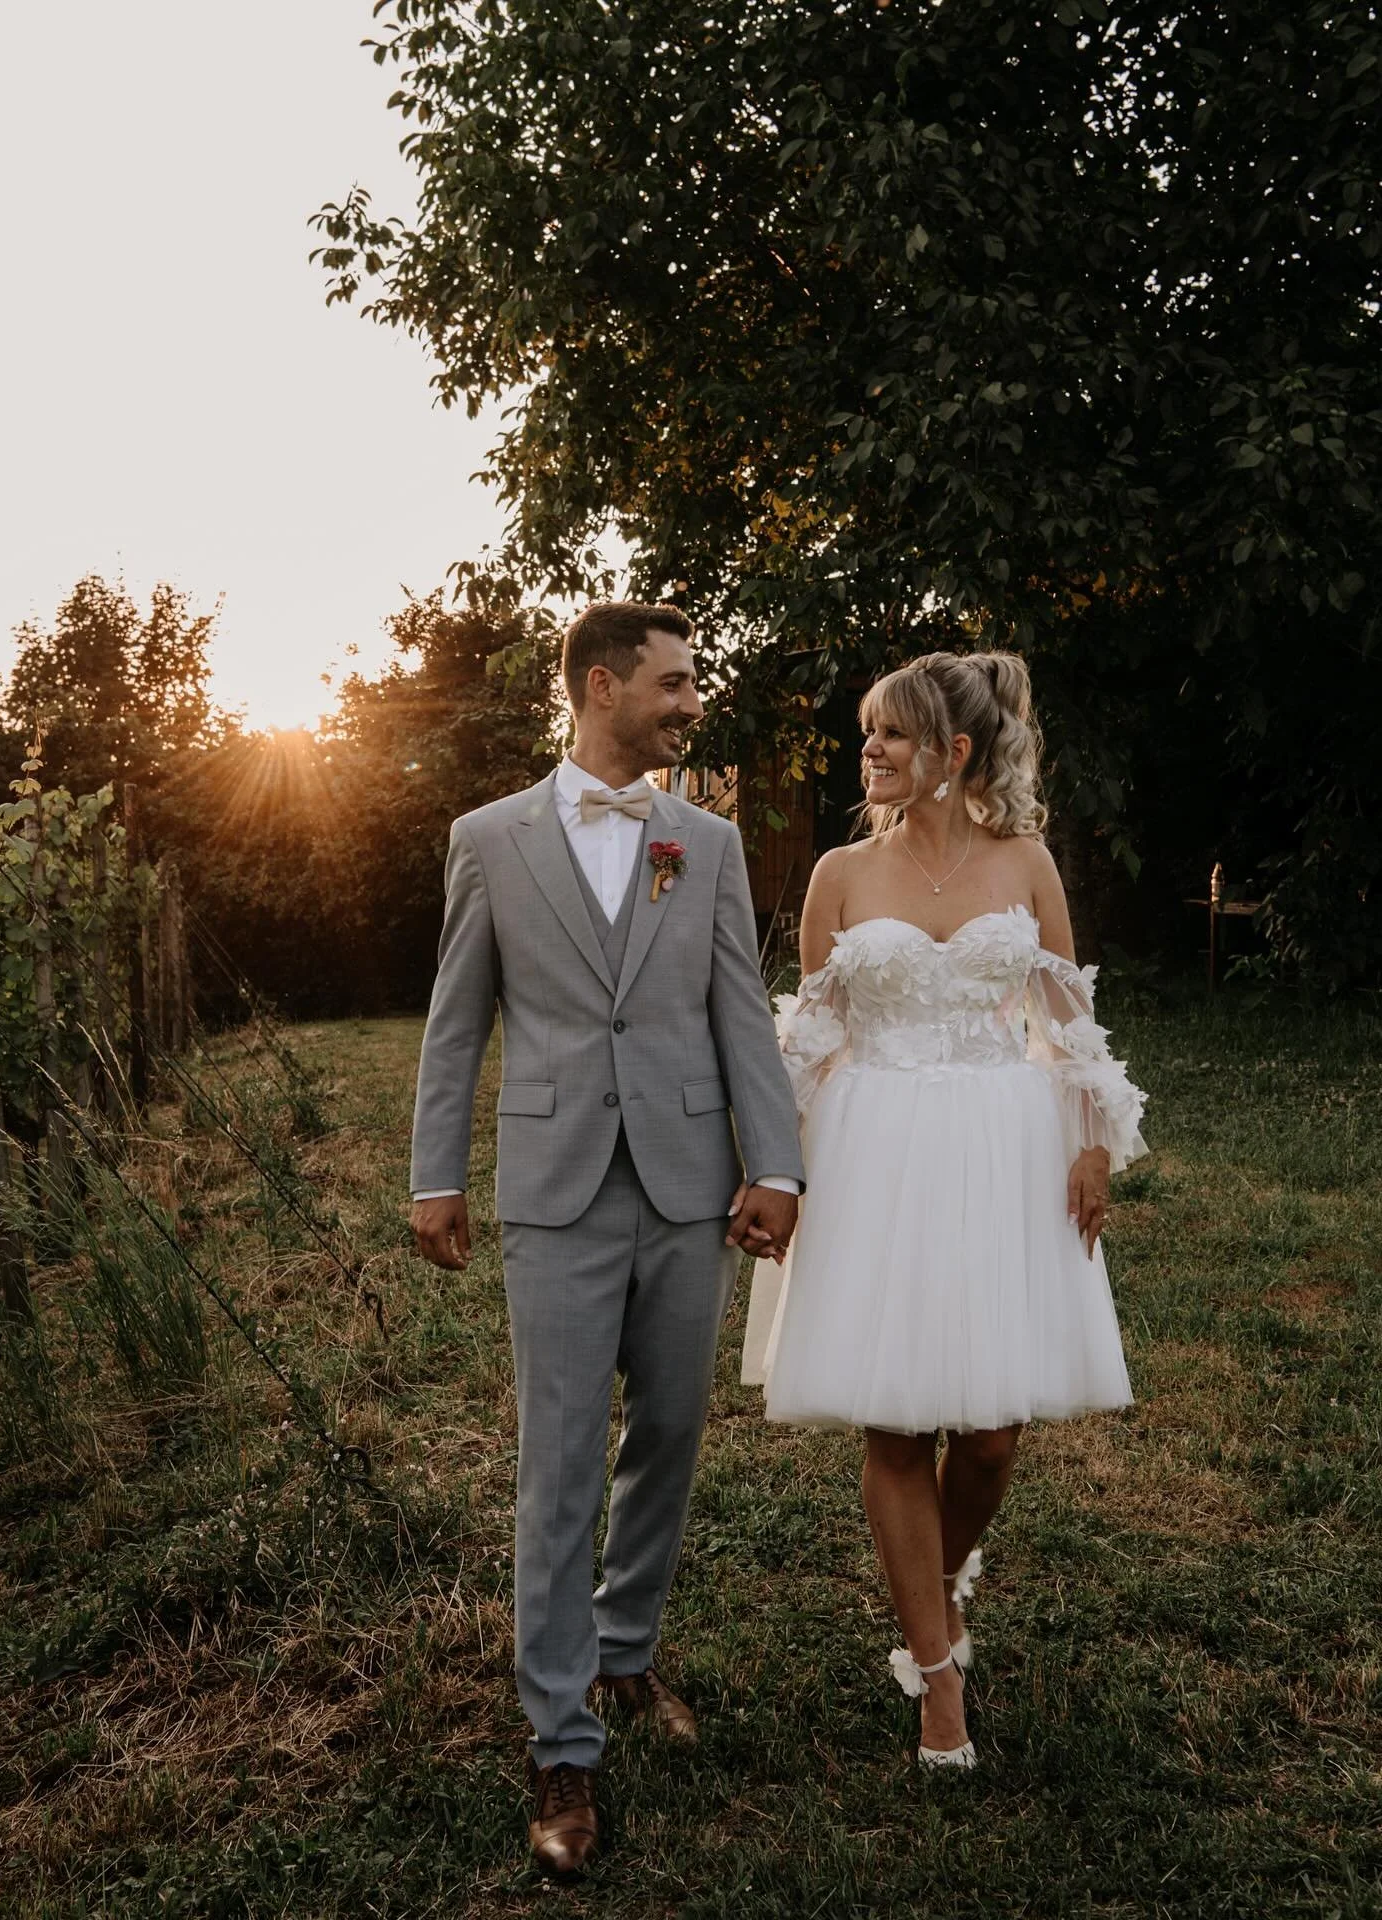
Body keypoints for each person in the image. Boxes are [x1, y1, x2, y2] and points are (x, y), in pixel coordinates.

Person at [410, 601, 803, 1875]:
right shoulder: (488, 840)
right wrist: (435, 1175)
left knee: (672, 1432)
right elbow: (456, 1021)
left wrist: (775, 1165)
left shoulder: (708, 843)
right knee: (561, 1459)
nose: (692, 703)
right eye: (674, 683)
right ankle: (561, 1742)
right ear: (600, 687)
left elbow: (739, 1011)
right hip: (557, 1190)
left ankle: (625, 1651)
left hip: (690, 1189)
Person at [742, 649, 1146, 1769]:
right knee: (897, 1417)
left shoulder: (1025, 861)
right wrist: (776, 1169)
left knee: (993, 1435)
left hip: (1003, 1145)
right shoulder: (837, 874)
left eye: (891, 732)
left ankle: (943, 1573)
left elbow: (1068, 1017)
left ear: (954, 751)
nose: (868, 749)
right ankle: (935, 1675)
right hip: (875, 1149)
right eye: (867, 731)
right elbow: (811, 1040)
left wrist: (1094, 1144)